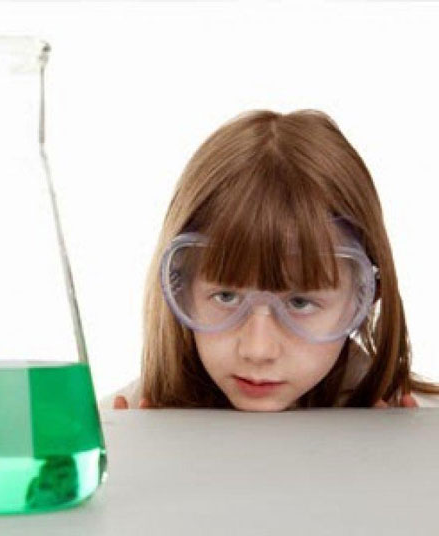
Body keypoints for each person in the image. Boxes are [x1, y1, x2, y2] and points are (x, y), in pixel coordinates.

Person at [107, 110, 439, 411]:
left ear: (364, 299)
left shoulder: (423, 431)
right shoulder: (113, 428)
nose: (258, 350)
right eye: (226, 296)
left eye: (300, 302)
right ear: (181, 286)